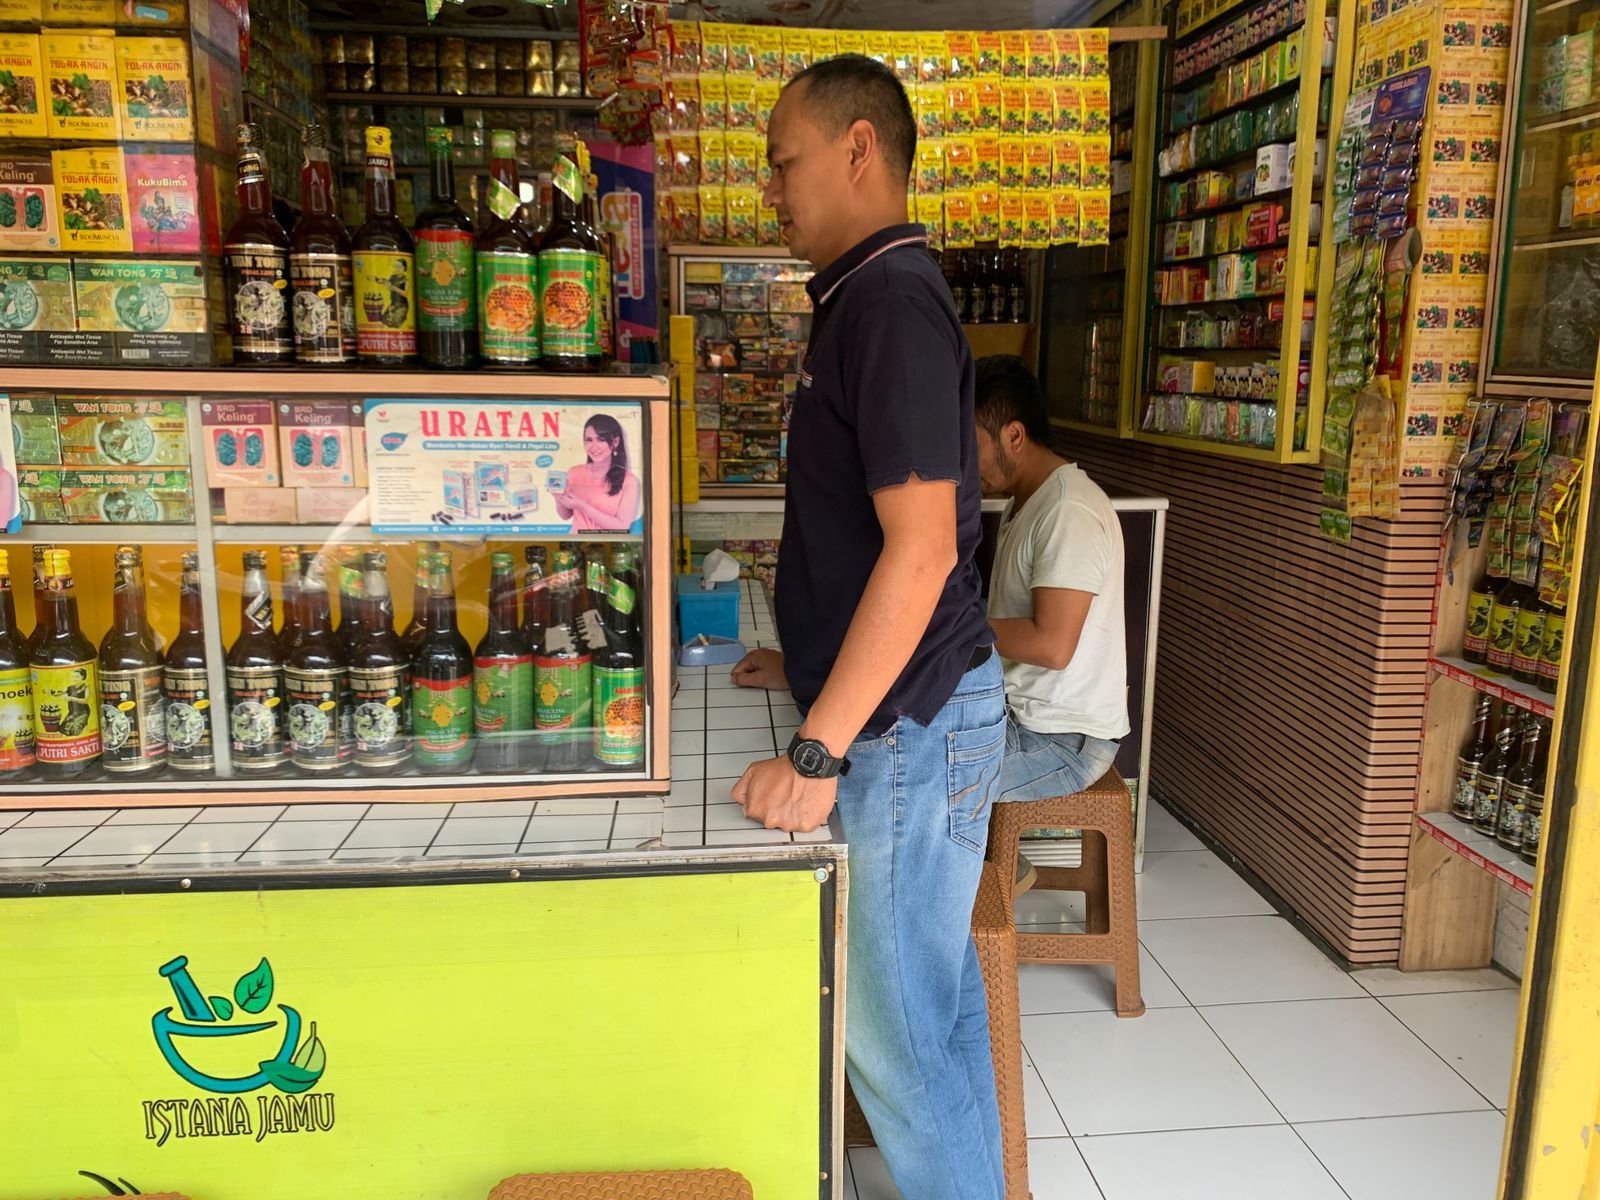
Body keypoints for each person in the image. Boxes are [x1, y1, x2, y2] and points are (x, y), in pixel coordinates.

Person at [728, 55, 1006, 1200]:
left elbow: (923, 549)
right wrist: (800, 659)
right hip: (912, 713)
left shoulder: (888, 303)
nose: (769, 191)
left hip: (904, 730)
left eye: (782, 163)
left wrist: (815, 750)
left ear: (857, 149)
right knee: (930, 1017)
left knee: (894, 1046)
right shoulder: (863, 298)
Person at [974, 355, 1129, 809]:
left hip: (1063, 739)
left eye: (970, 443)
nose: (962, 460)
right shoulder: (1025, 502)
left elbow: (1051, 645)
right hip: (1022, 718)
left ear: (1013, 436)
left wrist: (952, 629)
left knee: (924, 783)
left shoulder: (1067, 510)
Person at [556, 413, 640, 532]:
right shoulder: (574, 472)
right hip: (576, 541)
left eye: (601, 440)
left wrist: (583, 506)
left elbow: (622, 527)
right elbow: (565, 516)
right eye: (589, 440)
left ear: (615, 442)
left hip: (608, 543)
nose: (594, 447)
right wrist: (558, 498)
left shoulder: (629, 481)